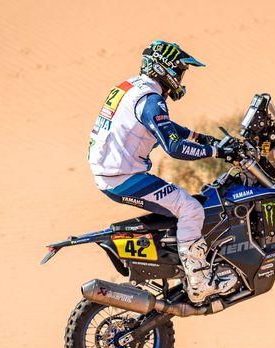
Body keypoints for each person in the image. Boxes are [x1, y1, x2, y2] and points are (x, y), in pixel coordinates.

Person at [88, 40, 229, 304]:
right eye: (180, 71)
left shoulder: (134, 87)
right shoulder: (151, 100)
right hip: (123, 177)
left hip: (111, 171)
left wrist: (201, 137)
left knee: (180, 205)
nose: (181, 78)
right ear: (164, 69)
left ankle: (178, 262)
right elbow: (174, 147)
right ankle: (199, 281)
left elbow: (162, 125)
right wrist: (216, 152)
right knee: (190, 208)